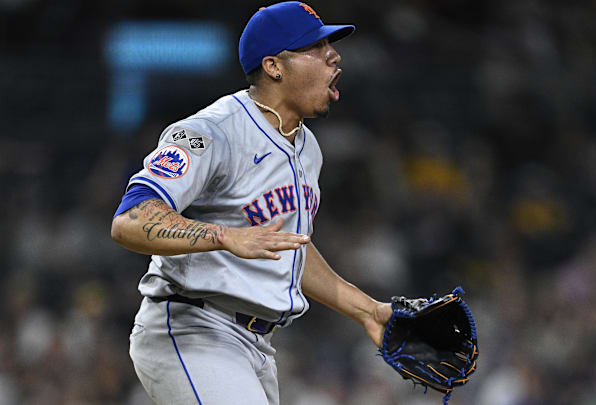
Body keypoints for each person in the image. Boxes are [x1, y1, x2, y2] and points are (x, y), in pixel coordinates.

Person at [110, 2, 392, 404]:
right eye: (314, 46)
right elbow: (131, 219)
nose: (333, 55)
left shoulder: (307, 147)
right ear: (275, 66)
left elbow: (287, 246)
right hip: (193, 327)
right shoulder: (212, 132)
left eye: (330, 44)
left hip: (256, 346)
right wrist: (225, 236)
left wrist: (367, 310)